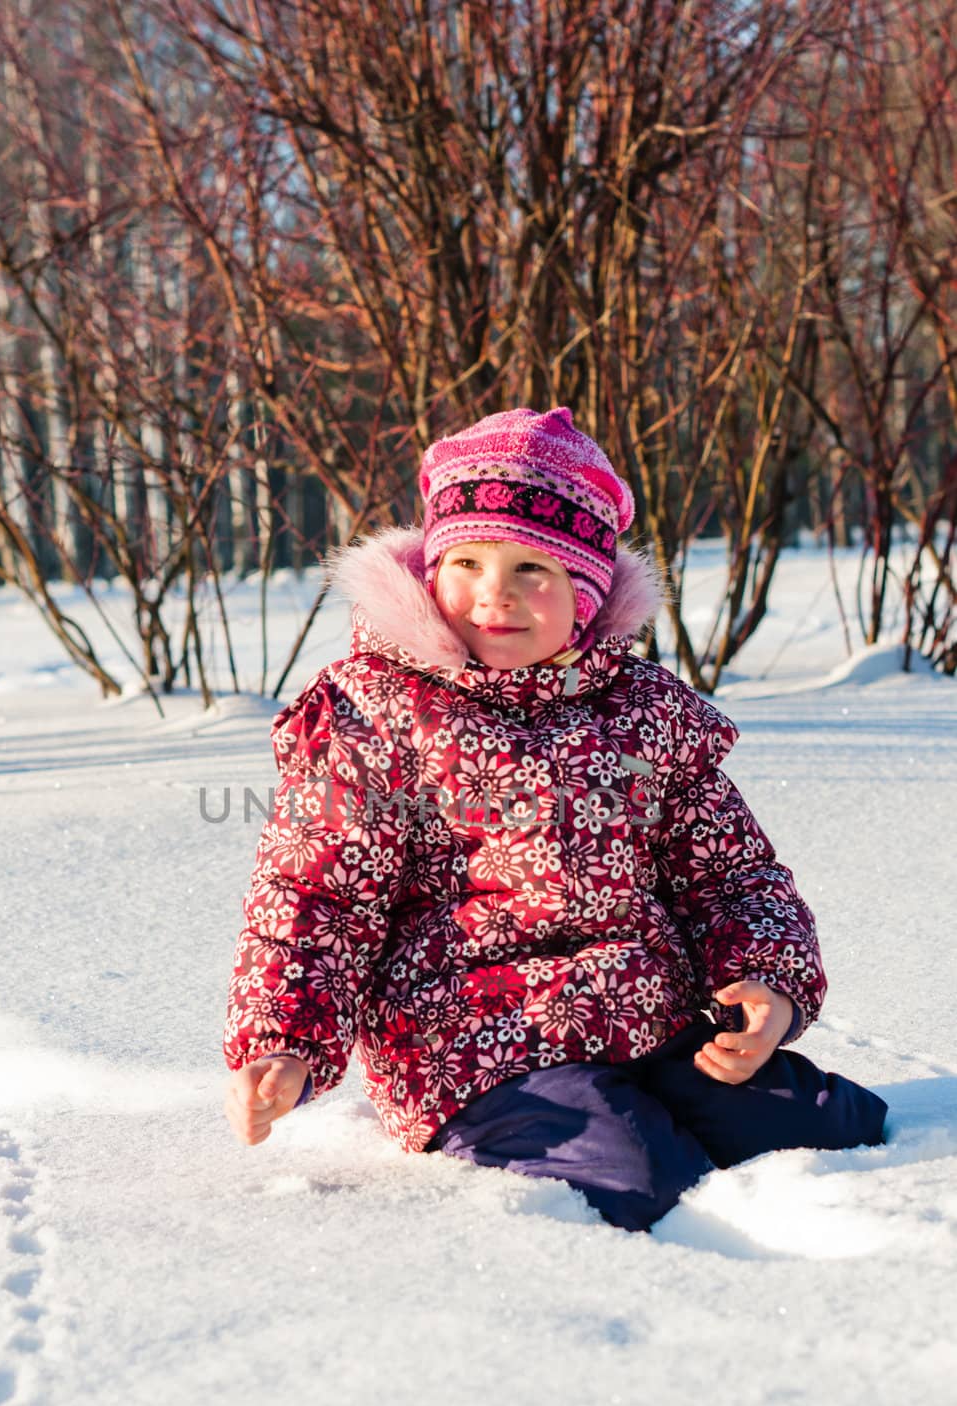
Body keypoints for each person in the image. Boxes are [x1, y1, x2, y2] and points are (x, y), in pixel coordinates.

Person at [223, 407, 887, 1230]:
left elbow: (730, 870)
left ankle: (675, 1102)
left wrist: (767, 985)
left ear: (588, 590)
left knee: (825, 1123)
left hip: (646, 1012)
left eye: (532, 569)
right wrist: (284, 1041)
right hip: (470, 1034)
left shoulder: (644, 713)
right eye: (465, 560)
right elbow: (315, 895)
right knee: (639, 1174)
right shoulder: (376, 713)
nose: (493, 594)